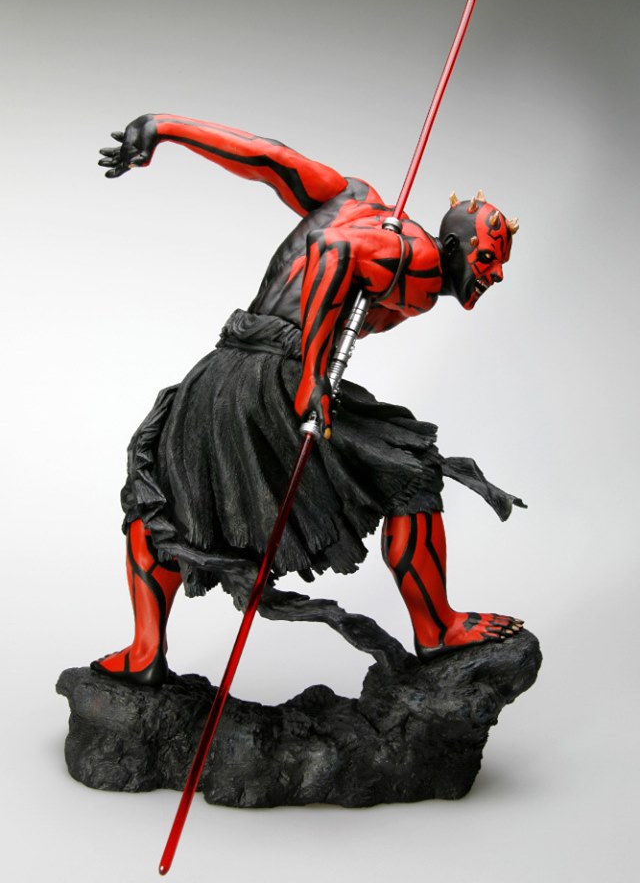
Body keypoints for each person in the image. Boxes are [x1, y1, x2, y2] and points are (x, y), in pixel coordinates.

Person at [93, 113, 524, 686]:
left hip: (223, 369)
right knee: (411, 473)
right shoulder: (418, 264)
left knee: (168, 498)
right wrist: (315, 375)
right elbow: (332, 250)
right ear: (453, 246)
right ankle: (437, 627)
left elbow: (270, 159)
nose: (494, 276)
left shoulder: (355, 196)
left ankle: (145, 652)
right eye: (487, 259)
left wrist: (164, 126)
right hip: (277, 375)